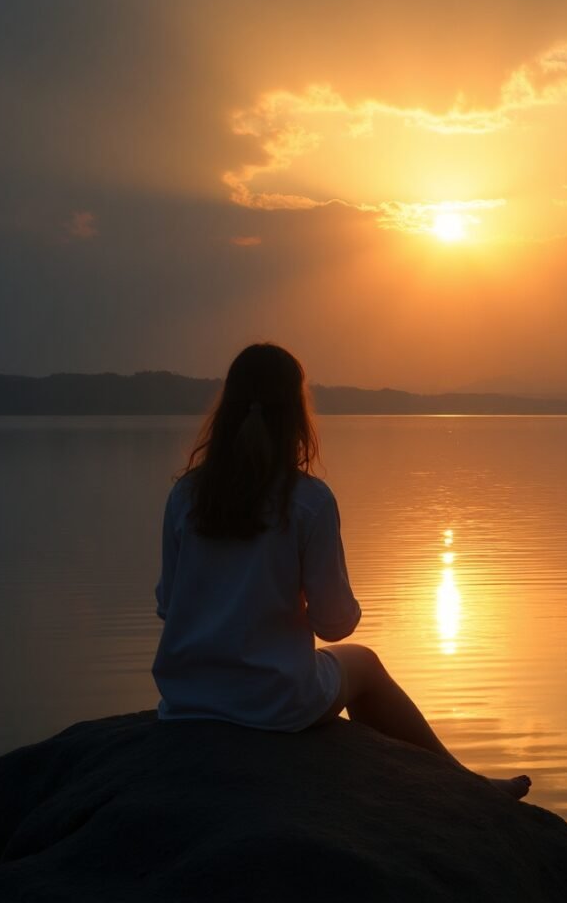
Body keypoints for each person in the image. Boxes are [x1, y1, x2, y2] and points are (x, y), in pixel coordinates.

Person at [152, 342, 530, 800]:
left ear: (228, 409)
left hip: (187, 700)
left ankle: (428, 782)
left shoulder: (185, 496)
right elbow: (334, 626)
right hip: (274, 705)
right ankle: (465, 788)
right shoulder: (308, 501)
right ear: (295, 414)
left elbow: (169, 605)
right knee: (365, 663)